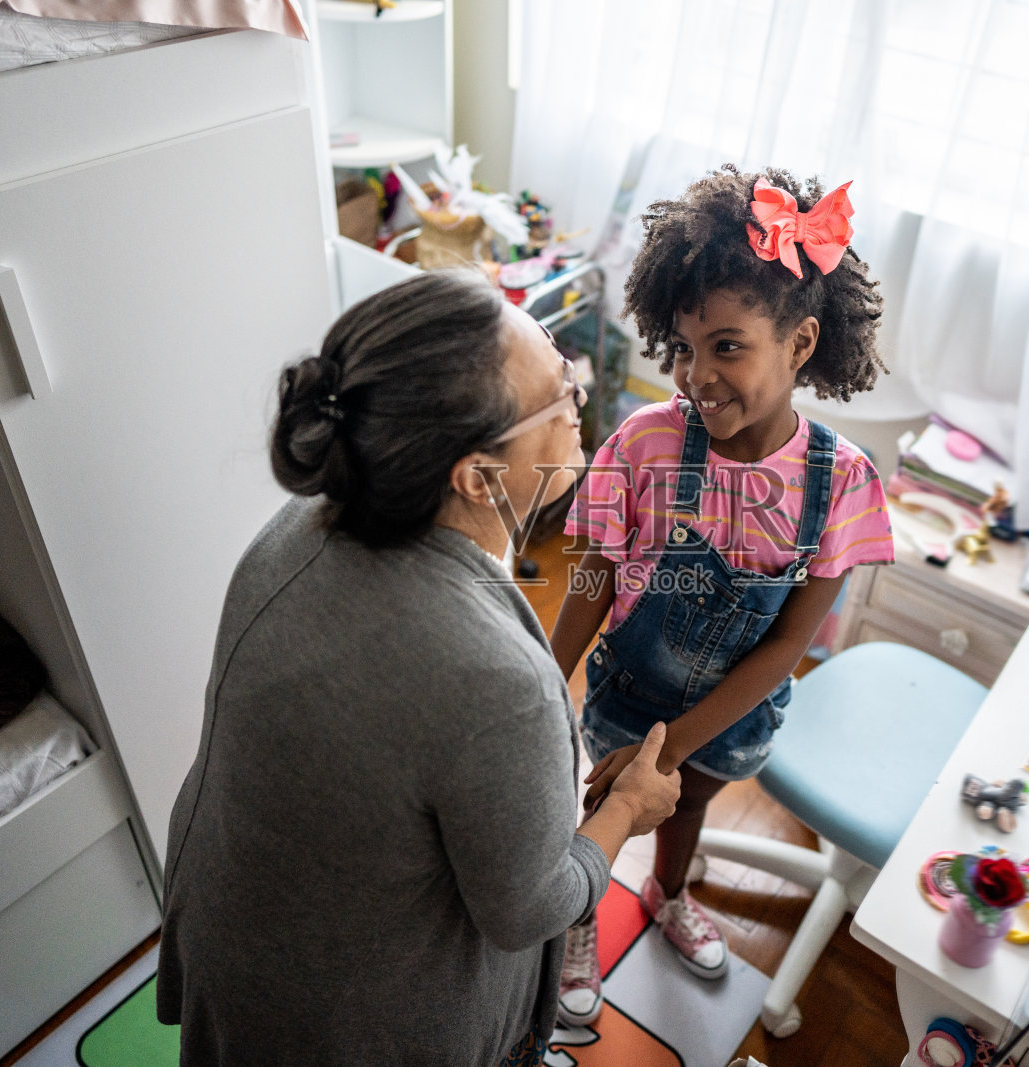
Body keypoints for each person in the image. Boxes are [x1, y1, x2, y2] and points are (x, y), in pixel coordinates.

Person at [156, 270, 680, 1067]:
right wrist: (627, 810)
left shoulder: (296, 526)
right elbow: (529, 906)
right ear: (476, 476)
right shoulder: (495, 679)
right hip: (350, 1020)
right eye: (560, 394)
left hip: (232, 931)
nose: (580, 400)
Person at [549, 166, 895, 1024]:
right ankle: (580, 916)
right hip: (629, 695)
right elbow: (592, 574)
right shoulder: (643, 444)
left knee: (687, 807)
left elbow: (786, 647)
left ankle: (669, 895)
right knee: (604, 811)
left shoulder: (842, 485)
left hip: (733, 716)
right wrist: (541, 680)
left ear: (802, 344)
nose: (696, 376)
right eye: (684, 347)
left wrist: (668, 755)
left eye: (727, 346)